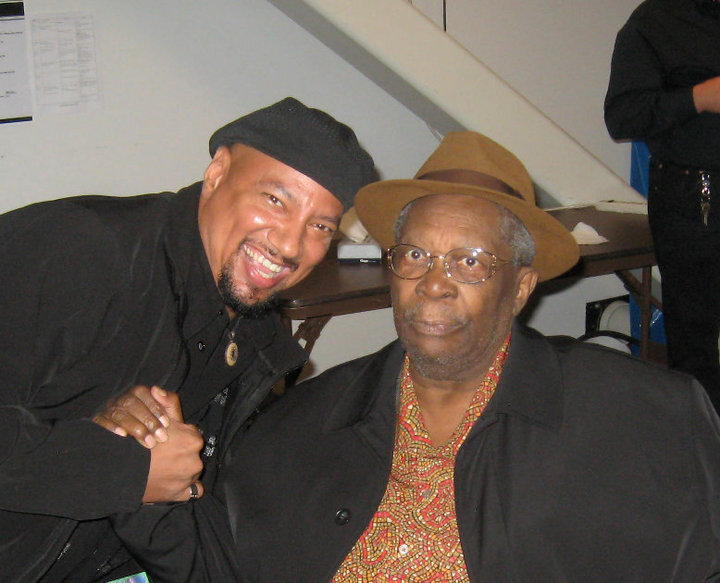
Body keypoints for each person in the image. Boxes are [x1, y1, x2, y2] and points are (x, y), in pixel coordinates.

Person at [111, 131, 720, 582]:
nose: (434, 284)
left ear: (520, 287)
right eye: (415, 256)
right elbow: (224, 565)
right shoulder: (300, 426)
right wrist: (143, 476)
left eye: (470, 261)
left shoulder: (643, 417)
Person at [0, 96, 375, 582]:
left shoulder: (257, 336)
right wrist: (124, 471)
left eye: (320, 226)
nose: (289, 244)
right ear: (217, 173)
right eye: (275, 200)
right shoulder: (78, 249)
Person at [604, 0, 720, 411]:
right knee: (697, 342)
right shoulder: (656, 21)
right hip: (695, 199)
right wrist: (698, 98)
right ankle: (704, 441)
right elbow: (622, 117)